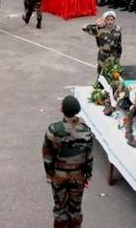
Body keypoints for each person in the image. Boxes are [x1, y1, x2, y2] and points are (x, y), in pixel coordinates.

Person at [42, 95, 94, 228]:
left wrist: (49, 174)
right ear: (77, 111)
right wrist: (88, 176)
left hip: (59, 176)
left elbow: (47, 155)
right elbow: (89, 157)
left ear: (61, 110)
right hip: (78, 176)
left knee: (60, 208)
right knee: (75, 208)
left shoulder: (53, 130)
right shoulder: (86, 131)